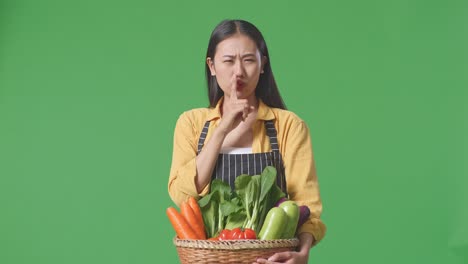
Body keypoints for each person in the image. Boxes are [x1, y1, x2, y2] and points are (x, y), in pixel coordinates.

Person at [168, 19, 326, 264]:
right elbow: (182, 196)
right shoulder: (191, 123)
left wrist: (302, 254)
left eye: (249, 60)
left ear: (263, 64)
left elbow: (306, 205)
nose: (238, 71)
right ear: (212, 66)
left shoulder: (289, 126)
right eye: (228, 61)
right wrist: (221, 131)